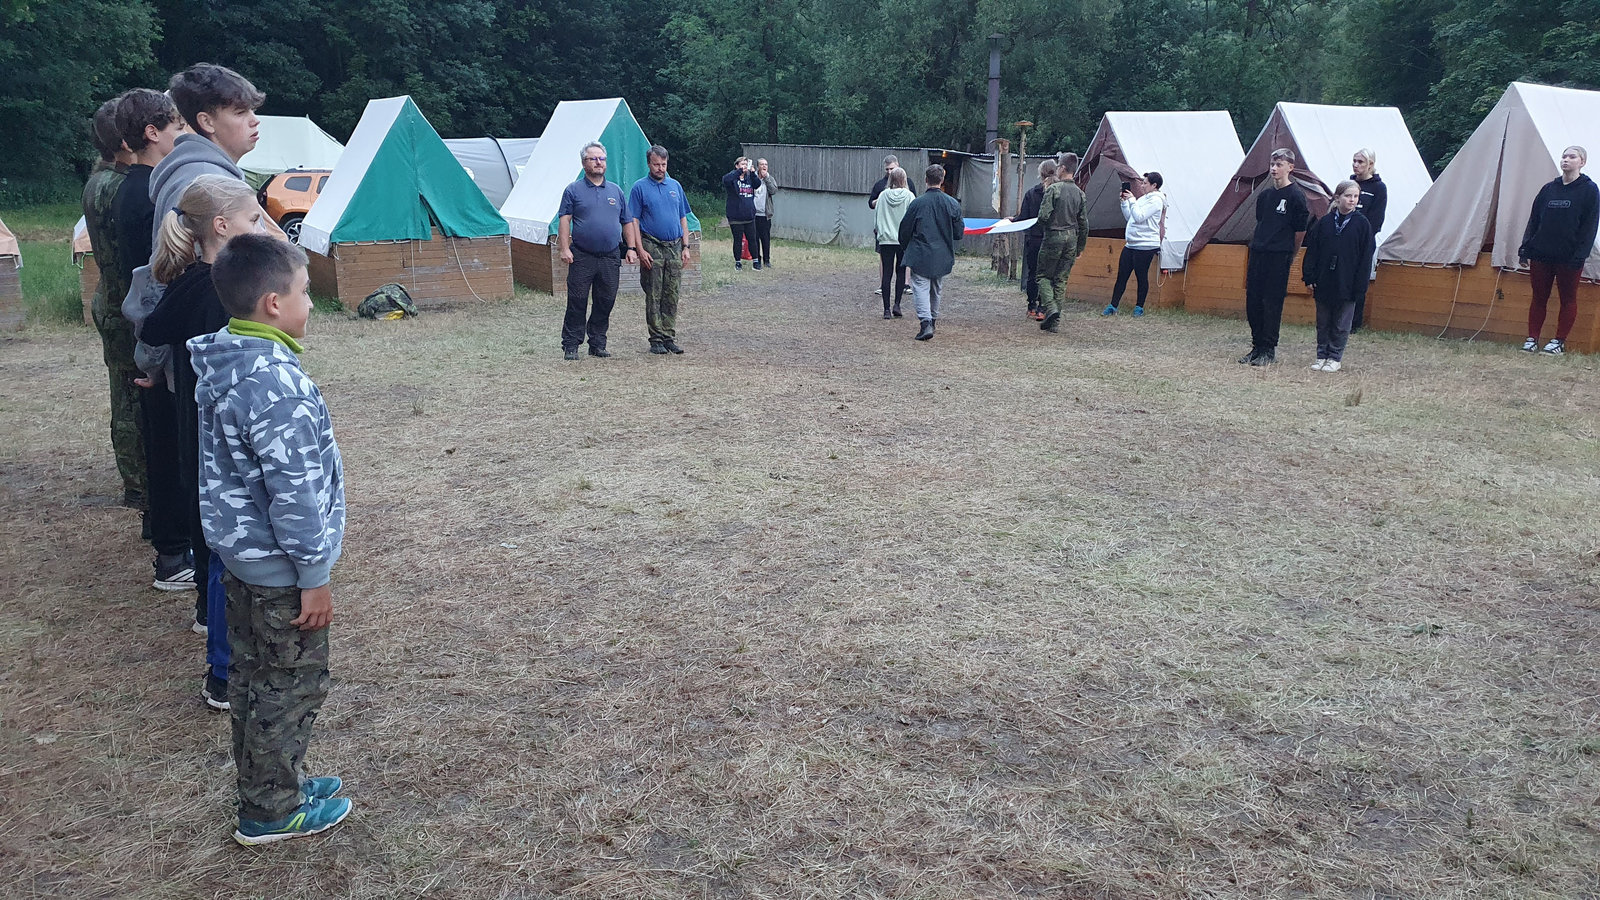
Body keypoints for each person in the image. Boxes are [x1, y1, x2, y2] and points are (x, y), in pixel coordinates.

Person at [187, 233, 351, 846]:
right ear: (274, 304)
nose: (310, 303)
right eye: (304, 292)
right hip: (281, 570)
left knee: (255, 679)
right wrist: (315, 576)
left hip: (242, 559)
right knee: (291, 683)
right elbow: (295, 493)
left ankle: (274, 783)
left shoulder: (228, 361)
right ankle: (270, 810)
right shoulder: (275, 385)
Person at [141, 175, 269, 709]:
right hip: (225, 437)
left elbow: (153, 329)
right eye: (253, 219)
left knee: (214, 539)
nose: (262, 226)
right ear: (222, 226)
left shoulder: (191, 282)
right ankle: (223, 673)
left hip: (198, 432)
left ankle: (216, 640)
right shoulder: (223, 291)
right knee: (227, 550)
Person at [82, 97, 146, 512]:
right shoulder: (118, 186)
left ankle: (137, 480)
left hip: (111, 300)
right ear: (125, 142)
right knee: (130, 400)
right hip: (124, 307)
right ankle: (139, 484)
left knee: (124, 395)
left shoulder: (99, 180)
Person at [558, 141, 638, 360]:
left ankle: (597, 343)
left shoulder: (615, 191)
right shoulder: (573, 190)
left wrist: (631, 248)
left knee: (606, 300)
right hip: (582, 255)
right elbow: (564, 220)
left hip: (610, 256)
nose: (598, 162)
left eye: (602, 158)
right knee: (577, 300)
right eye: (593, 159)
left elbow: (627, 221)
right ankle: (571, 344)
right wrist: (564, 248)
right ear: (584, 163)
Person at [1518, 145, 1598, 357]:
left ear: (1582, 162)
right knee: (1539, 297)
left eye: (1572, 157)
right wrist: (1525, 248)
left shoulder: (1589, 190)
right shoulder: (1548, 189)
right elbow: (1534, 220)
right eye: (1564, 156)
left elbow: (1590, 226)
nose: (1566, 160)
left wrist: (1580, 255)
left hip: (1569, 257)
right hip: (1541, 253)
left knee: (1568, 299)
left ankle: (1558, 342)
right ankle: (1532, 339)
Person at [1240, 148, 1309, 365]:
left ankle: (1268, 349)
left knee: (1271, 302)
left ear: (1290, 167)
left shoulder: (1296, 196)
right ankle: (1256, 346)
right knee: (1253, 301)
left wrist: (1290, 254)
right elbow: (1261, 222)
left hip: (1279, 256)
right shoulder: (1265, 196)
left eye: (1279, 165)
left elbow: (1300, 231)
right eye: (1272, 164)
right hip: (1259, 253)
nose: (1274, 169)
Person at [1301, 181, 1375, 372]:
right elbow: (1313, 251)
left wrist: (1360, 286)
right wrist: (1309, 276)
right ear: (1337, 197)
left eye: (1355, 196)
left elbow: (1366, 258)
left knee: (1341, 323)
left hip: (1348, 281)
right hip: (1325, 279)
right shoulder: (1325, 222)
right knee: (1323, 321)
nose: (1352, 200)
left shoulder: (1362, 224)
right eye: (1348, 196)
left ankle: (1335, 356)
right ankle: (1321, 355)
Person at [629, 145, 693, 355]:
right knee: (654, 293)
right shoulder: (639, 188)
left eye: (664, 164)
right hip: (652, 245)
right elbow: (633, 220)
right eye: (656, 164)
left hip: (674, 246)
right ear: (649, 164)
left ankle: (669, 336)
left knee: (672, 293)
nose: (660, 168)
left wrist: (686, 246)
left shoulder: (675, 186)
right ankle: (656, 338)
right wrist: (639, 249)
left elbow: (683, 217)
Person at [897, 164, 963, 341]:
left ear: (926, 179)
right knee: (936, 288)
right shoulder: (952, 204)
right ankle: (932, 320)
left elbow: (904, 229)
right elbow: (958, 233)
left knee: (920, 287)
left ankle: (925, 323)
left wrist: (906, 247)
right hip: (942, 254)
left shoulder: (917, 204)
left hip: (920, 253)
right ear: (942, 180)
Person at [1034, 152, 1088, 334]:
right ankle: (1054, 323)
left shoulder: (1054, 190)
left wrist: (1046, 226)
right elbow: (1084, 223)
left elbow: (1043, 216)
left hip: (1053, 237)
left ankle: (1051, 308)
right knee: (1061, 279)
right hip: (1072, 239)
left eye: (1058, 166)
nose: (1056, 168)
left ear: (1063, 168)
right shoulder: (1080, 193)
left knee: (1043, 276)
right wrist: (1080, 246)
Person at [1103, 171, 1166, 317]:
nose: (1142, 186)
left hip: (1146, 244)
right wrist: (1124, 203)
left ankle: (1139, 307)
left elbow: (1139, 217)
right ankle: (1113, 305)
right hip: (1131, 244)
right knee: (1122, 275)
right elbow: (1130, 217)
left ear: (1154, 185)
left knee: (1141, 276)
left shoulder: (1156, 201)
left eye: (1145, 183)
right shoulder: (1143, 199)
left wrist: (1132, 200)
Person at [1349, 149, 1387, 330]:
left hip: (1364, 242)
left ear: (1370, 164)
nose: (1356, 165)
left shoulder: (1378, 188)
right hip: (1345, 238)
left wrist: (1363, 237)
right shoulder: (1349, 184)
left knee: (1359, 280)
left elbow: (1377, 219)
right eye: (1354, 161)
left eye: (1360, 162)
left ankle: (1354, 322)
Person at [873, 166, 915, 319]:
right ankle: (897, 304)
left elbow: (877, 216)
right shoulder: (909, 196)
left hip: (886, 239)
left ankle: (886, 309)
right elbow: (912, 217)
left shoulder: (883, 195)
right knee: (901, 272)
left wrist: (879, 231)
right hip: (903, 240)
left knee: (887, 273)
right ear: (904, 179)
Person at [1017, 159, 1055, 320]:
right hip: (1051, 240)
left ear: (1040, 174)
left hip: (1034, 240)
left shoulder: (1031, 194)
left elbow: (1023, 218)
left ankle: (1031, 306)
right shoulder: (1058, 193)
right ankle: (1042, 308)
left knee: (1033, 274)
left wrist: (1011, 220)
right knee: (1048, 275)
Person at [721, 157, 761, 270]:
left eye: (746, 164)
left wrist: (753, 173)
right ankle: (738, 262)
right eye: (742, 164)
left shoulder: (749, 178)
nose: (745, 166)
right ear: (737, 165)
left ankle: (756, 261)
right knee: (738, 240)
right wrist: (739, 172)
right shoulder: (732, 178)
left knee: (752, 239)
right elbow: (725, 180)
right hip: (735, 216)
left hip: (749, 215)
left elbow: (757, 184)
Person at [753, 158, 778, 269]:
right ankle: (757, 259)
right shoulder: (753, 177)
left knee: (765, 238)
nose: (764, 166)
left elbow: (773, 191)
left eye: (766, 164)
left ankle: (767, 260)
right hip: (753, 214)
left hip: (765, 215)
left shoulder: (770, 178)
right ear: (757, 166)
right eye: (762, 164)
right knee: (755, 238)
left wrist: (766, 178)